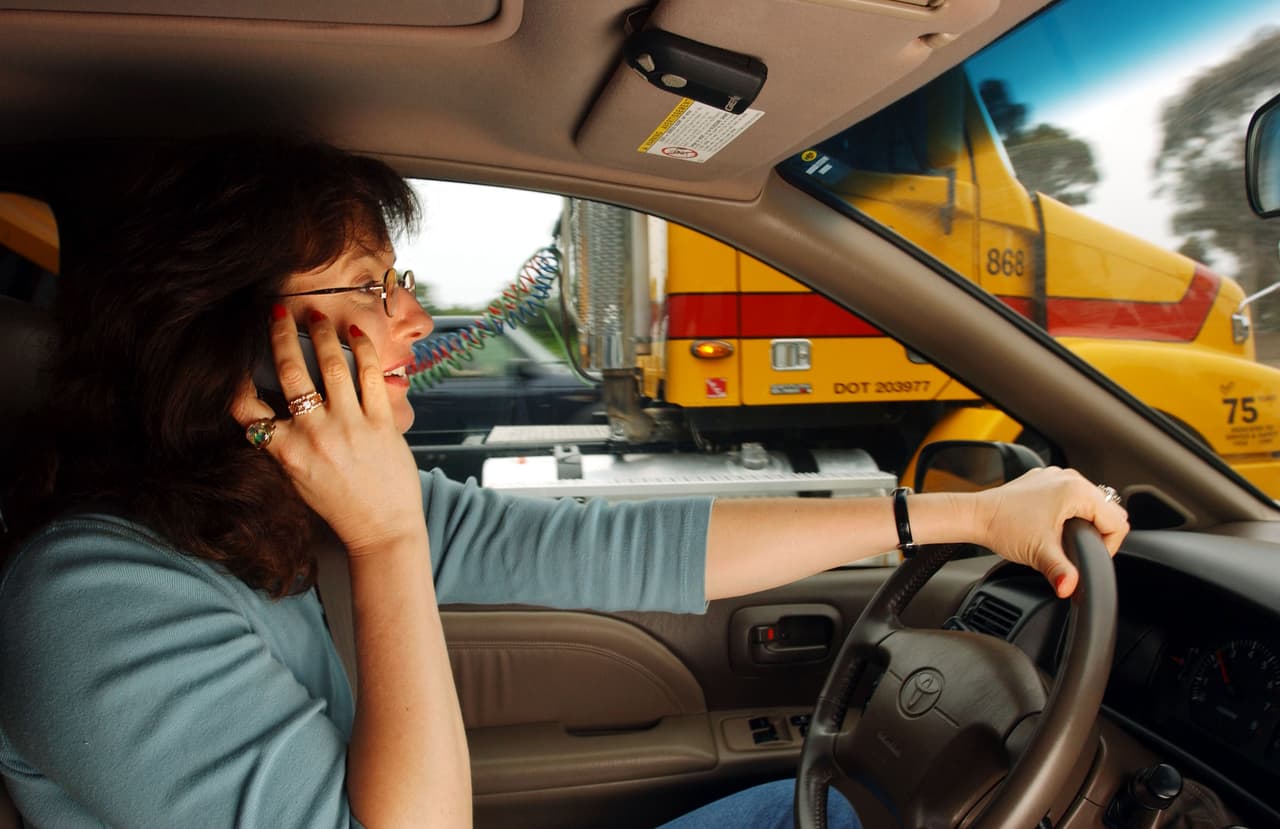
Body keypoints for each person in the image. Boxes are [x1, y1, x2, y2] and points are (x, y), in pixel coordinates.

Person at [0, 134, 1129, 828]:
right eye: (367, 285)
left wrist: (972, 513)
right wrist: (393, 546)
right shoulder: (95, 600)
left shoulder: (270, 501)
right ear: (223, 339)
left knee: (820, 809)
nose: (415, 318)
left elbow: (615, 548)